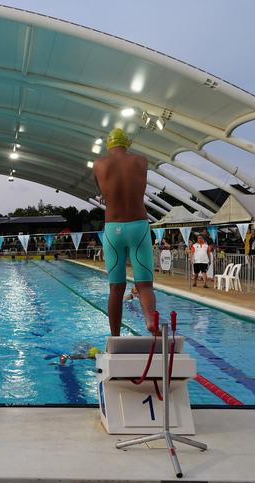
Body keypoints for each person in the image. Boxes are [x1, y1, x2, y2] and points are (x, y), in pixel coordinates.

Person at [93, 128, 157, 336]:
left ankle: (115, 336)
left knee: (116, 288)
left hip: (113, 229)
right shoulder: (141, 161)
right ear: (127, 143)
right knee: (145, 285)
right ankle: (149, 319)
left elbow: (102, 189)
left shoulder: (99, 164)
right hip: (138, 225)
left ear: (108, 146)